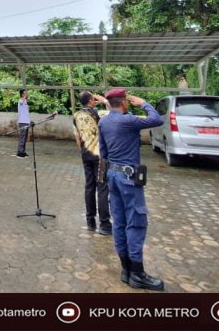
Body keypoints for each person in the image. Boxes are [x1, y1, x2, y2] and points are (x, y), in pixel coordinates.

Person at [98, 88, 164, 291]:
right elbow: (157, 119)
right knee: (135, 222)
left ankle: (126, 270)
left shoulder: (103, 122)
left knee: (119, 222)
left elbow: (103, 152)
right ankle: (137, 274)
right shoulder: (129, 120)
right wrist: (143, 103)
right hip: (128, 178)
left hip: (112, 175)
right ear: (124, 102)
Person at [73, 90, 111, 235]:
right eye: (93, 98)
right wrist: (104, 101)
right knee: (102, 188)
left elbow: (77, 137)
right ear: (90, 100)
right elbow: (115, 113)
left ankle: (90, 222)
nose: (95, 100)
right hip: (100, 157)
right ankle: (104, 224)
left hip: (86, 155)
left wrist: (83, 152)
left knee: (89, 187)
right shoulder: (99, 113)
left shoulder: (76, 116)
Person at [17, 89, 30, 158]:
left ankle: (23, 151)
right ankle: (20, 152)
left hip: (26, 122)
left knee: (25, 138)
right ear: (22, 94)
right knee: (22, 137)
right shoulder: (20, 100)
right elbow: (21, 103)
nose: (27, 94)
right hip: (22, 122)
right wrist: (25, 97)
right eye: (25, 93)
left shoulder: (26, 101)